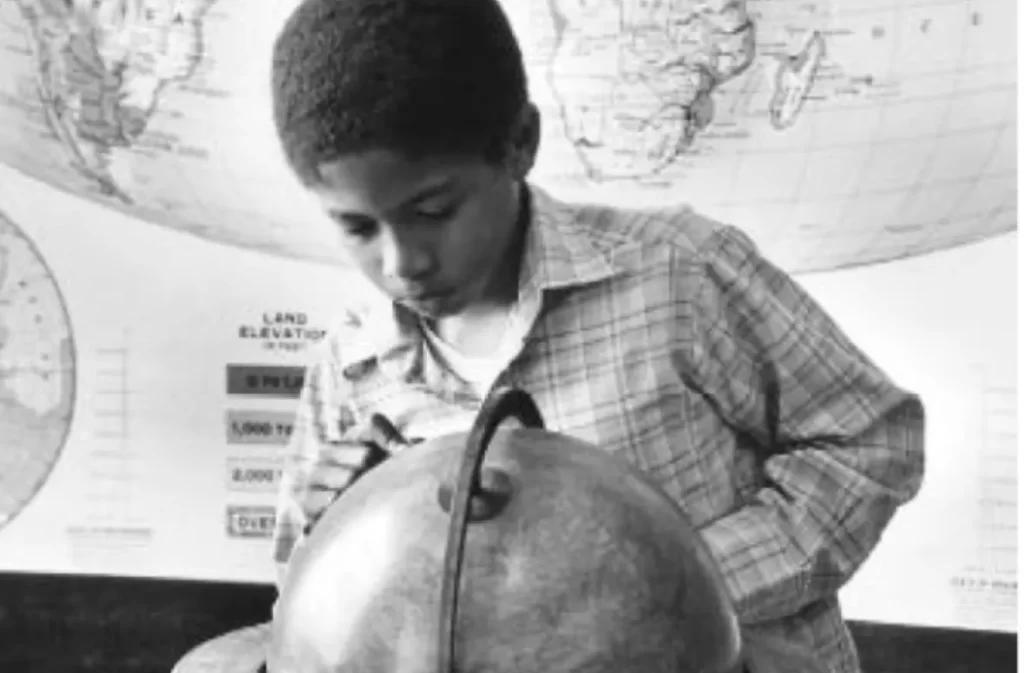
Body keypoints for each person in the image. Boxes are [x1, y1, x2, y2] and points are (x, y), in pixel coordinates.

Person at [268, 0, 926, 671]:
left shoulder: (680, 274)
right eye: (357, 228)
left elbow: (871, 441)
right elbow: (302, 610)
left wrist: (673, 595)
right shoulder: (350, 370)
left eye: (434, 210)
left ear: (520, 143)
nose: (403, 261)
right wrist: (339, 529)